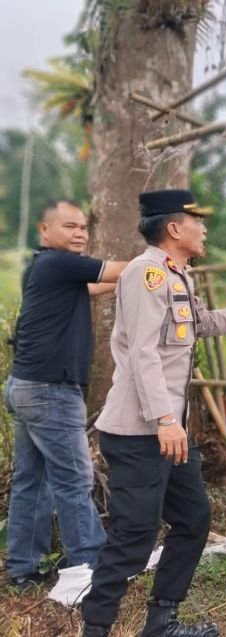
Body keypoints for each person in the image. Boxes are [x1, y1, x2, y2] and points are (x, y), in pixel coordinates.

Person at [80, 190, 226, 637]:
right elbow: (144, 353)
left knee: (193, 518)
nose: (204, 229)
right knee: (134, 539)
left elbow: (200, 323)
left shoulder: (178, 274)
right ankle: (95, 627)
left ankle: (162, 622)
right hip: (140, 431)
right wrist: (166, 420)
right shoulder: (147, 274)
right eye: (197, 221)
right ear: (174, 228)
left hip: (170, 433)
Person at [3, 200, 128, 591]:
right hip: (50, 391)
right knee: (74, 478)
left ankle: (22, 569)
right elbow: (120, 269)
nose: (79, 233)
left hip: (26, 388)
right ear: (45, 230)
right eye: (70, 226)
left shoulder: (46, 268)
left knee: (32, 481)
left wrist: (138, 277)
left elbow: (100, 285)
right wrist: (164, 260)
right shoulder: (60, 262)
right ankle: (90, 567)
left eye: (83, 227)